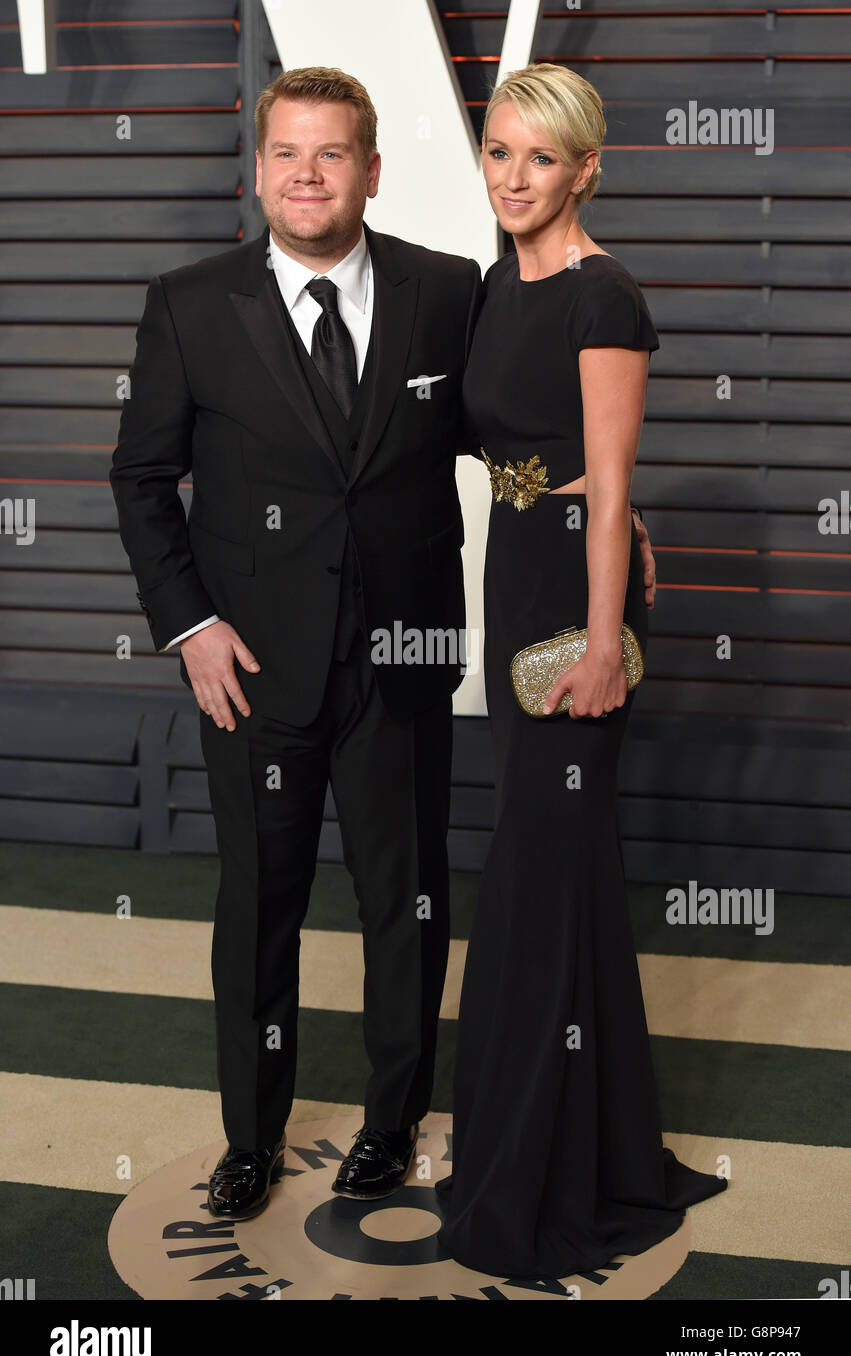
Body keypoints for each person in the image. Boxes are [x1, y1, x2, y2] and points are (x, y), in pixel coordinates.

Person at [110, 65, 655, 1224]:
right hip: (251, 668)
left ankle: (391, 1123)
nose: (306, 176)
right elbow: (141, 476)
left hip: (404, 659)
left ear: (369, 169)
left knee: (404, 902)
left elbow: (501, 426)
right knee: (257, 905)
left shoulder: (447, 289)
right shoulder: (189, 304)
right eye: (285, 153)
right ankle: (250, 1137)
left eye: (330, 154)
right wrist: (190, 625)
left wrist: (592, 507)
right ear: (259, 168)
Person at [435, 64, 726, 1279]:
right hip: (515, 572)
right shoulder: (499, 281)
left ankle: (535, 1181)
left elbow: (606, 487)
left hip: (571, 600)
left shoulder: (603, 295)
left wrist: (605, 638)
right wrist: (547, 498)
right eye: (498, 152)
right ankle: (597, 1151)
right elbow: (500, 445)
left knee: (536, 876)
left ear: (585, 169)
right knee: (565, 870)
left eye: (539, 158)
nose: (512, 177)